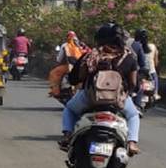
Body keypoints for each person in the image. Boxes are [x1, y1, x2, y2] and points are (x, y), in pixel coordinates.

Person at [58, 23, 141, 155]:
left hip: (90, 98)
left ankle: (67, 136)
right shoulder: (128, 58)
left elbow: (74, 79)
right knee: (133, 115)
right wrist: (126, 92)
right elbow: (134, 84)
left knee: (69, 109)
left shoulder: (90, 56)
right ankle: (132, 142)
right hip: (117, 101)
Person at [47, 30, 85, 98]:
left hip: (70, 66)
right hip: (82, 66)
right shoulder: (82, 45)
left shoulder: (65, 45)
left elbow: (59, 59)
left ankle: (56, 91)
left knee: (54, 73)